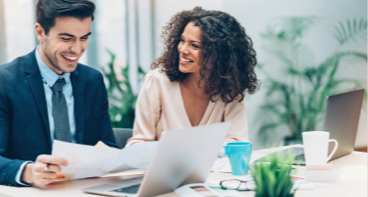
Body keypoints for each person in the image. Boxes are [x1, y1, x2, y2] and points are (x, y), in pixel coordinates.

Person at [0, 0, 117, 187]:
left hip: (84, 190)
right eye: (66, 38)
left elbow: (107, 147)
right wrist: (27, 171)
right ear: (40, 32)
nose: (77, 49)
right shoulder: (5, 81)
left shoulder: (92, 81)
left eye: (84, 38)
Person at [126, 7, 258, 147]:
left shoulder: (229, 89)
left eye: (194, 45)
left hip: (212, 169)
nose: (182, 49)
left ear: (218, 53)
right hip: (163, 169)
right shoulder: (158, 81)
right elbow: (137, 144)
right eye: (182, 41)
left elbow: (238, 143)